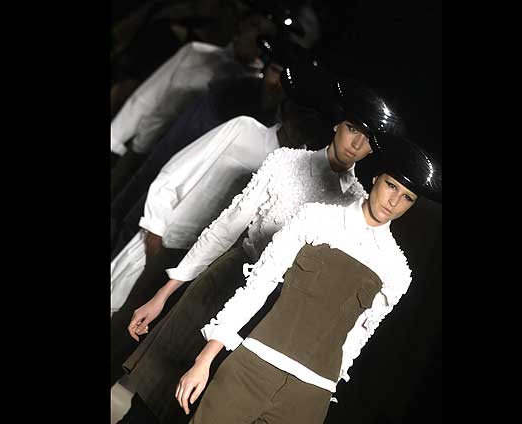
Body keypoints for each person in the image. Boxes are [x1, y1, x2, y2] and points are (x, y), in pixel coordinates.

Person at [115, 74, 409, 424]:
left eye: (367, 140)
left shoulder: (357, 203)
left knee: (200, 411)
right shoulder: (285, 162)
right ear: (336, 124)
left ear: (374, 151)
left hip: (271, 321)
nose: (356, 144)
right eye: (351, 129)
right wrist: (165, 293)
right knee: (153, 400)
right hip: (224, 286)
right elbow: (224, 229)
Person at [176, 135, 442, 424]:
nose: (394, 201)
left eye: (407, 198)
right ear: (377, 178)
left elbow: (357, 335)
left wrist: (328, 388)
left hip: (311, 396)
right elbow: (257, 287)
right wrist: (205, 359)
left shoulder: (396, 269)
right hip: (253, 366)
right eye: (391, 185)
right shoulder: (315, 218)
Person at [110, 36, 313, 257]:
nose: (277, 84)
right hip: (160, 202)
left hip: (194, 235)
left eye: (286, 81)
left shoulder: (284, 133)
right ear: (265, 68)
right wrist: (144, 213)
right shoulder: (225, 96)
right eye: (275, 71)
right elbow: (171, 153)